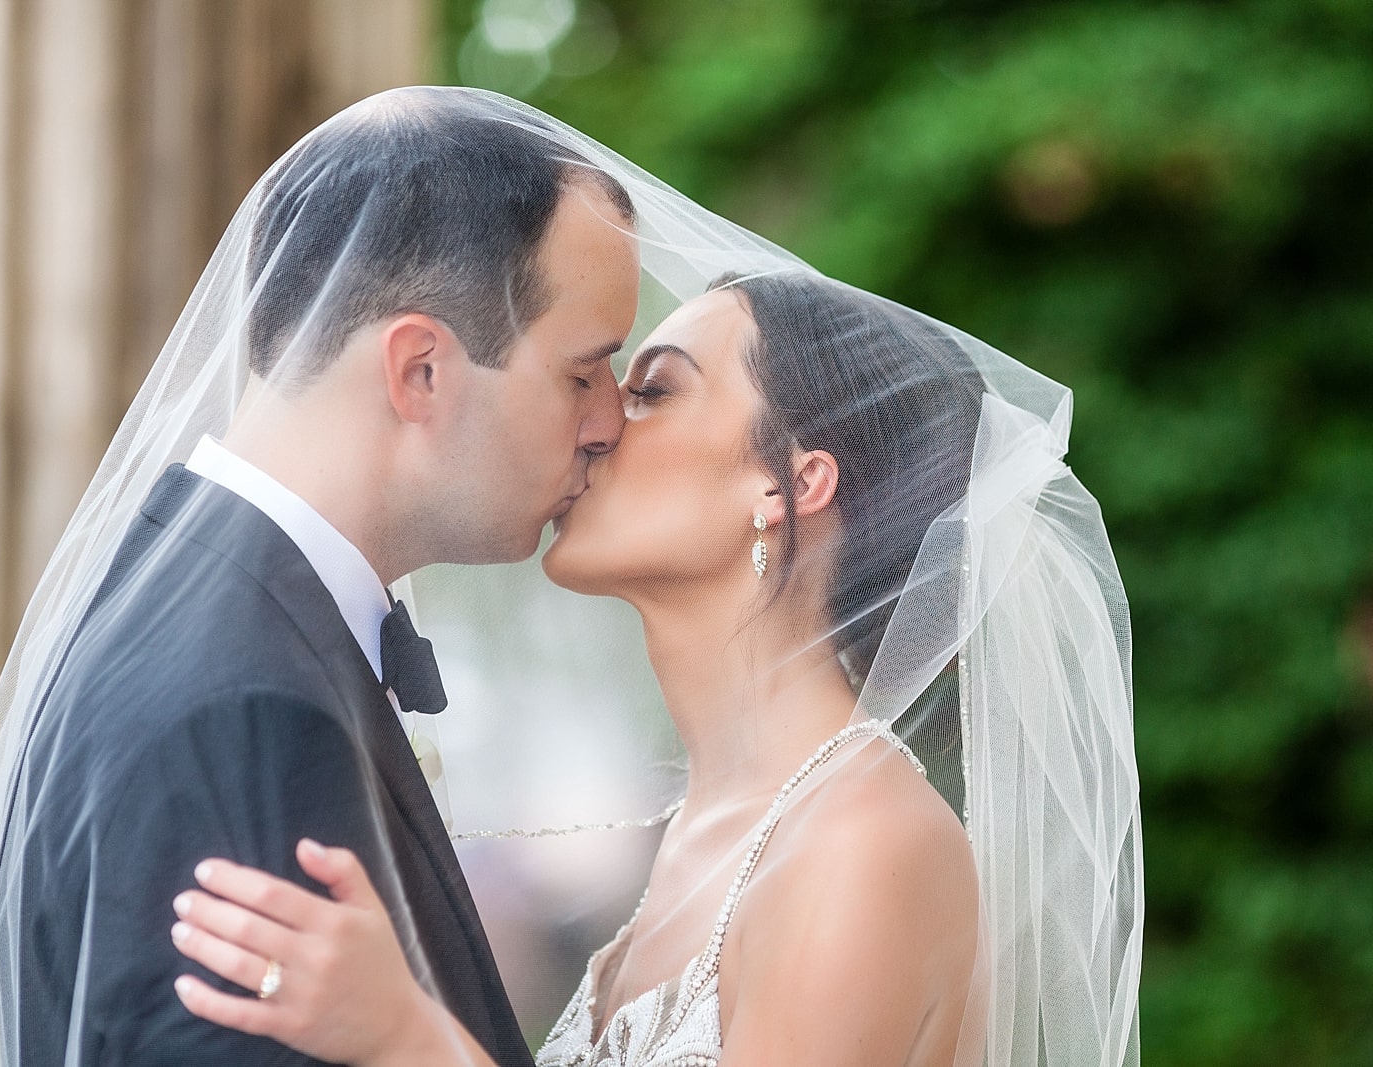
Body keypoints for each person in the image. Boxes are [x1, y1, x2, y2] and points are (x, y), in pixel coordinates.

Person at [167, 269, 1143, 1066]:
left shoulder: (868, 842)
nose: (594, 423)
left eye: (652, 389)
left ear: (787, 482)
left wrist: (404, 1036)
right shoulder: (698, 828)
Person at [0, 88, 641, 1067]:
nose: (609, 420)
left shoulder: (196, 597)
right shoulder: (247, 709)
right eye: (582, 371)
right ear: (420, 372)